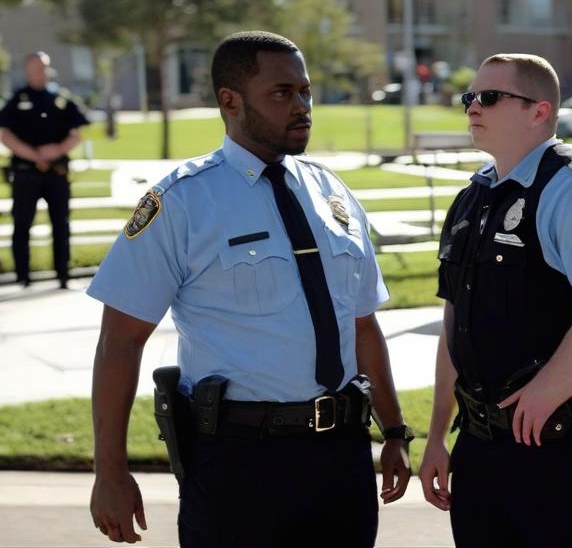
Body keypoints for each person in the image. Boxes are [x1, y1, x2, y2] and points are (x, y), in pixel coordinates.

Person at [85, 31, 412, 545]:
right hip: (237, 463)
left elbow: (361, 323)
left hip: (340, 457)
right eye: (282, 93)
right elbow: (119, 342)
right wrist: (110, 470)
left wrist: (393, 430)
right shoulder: (183, 202)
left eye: (305, 91)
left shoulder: (332, 193)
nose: (303, 106)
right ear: (230, 101)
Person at [417, 53, 572, 547]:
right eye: (469, 98)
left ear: (539, 111)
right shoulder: (473, 197)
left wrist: (545, 392)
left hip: (557, 449)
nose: (473, 107)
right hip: (481, 450)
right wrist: (439, 434)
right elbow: (455, 324)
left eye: (490, 97)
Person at [0, 52, 88, 288]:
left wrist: (58, 149)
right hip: (25, 172)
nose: (41, 72)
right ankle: (23, 276)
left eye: (44, 68)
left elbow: (80, 131)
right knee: (22, 224)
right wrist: (32, 154)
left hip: (56, 173)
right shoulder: (17, 100)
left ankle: (63, 274)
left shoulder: (61, 99)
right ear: (28, 71)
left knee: (61, 224)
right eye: (36, 68)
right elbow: (4, 134)